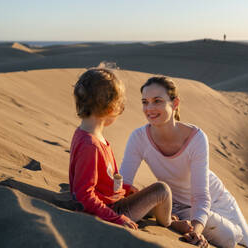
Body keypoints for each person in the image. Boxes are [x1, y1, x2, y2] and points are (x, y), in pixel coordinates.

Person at [120, 76, 248, 248]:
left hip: (216, 198)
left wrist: (196, 231)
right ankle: (238, 231)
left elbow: (201, 197)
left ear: (175, 104)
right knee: (230, 238)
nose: (149, 108)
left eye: (157, 101)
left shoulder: (196, 137)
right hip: (179, 207)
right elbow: (124, 185)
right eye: (145, 102)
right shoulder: (138, 138)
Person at [69, 68, 175, 230]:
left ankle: (158, 212)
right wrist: (116, 219)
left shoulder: (90, 136)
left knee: (147, 193)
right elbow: (84, 195)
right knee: (162, 189)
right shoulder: (90, 145)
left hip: (115, 201)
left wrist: (125, 189)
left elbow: (103, 182)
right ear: (111, 109)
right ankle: (170, 224)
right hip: (112, 210)